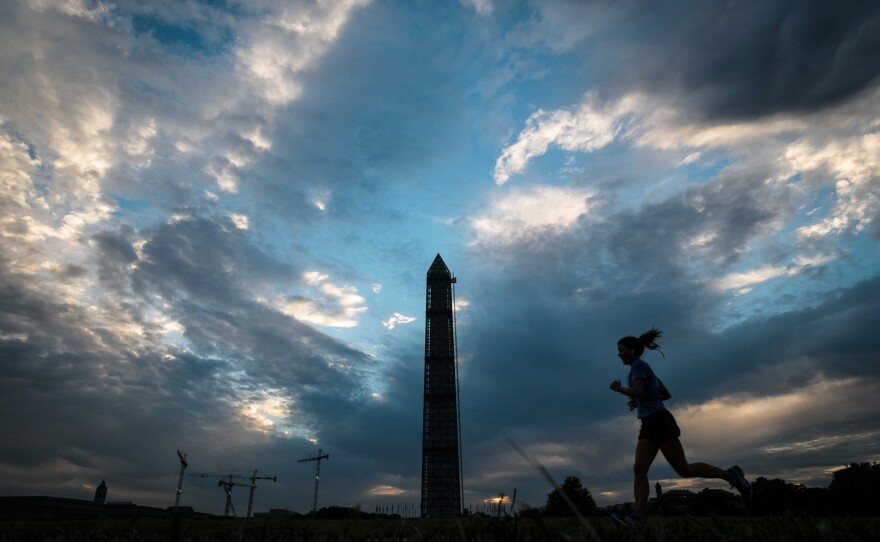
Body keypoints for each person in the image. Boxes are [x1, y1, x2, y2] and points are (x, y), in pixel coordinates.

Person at [609, 327, 751, 528]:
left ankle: (732, 476)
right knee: (639, 469)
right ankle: (637, 519)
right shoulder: (642, 369)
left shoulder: (638, 366)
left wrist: (619, 389)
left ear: (632, 350)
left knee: (684, 469)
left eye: (621, 350)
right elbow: (664, 394)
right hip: (648, 423)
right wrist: (641, 399)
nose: (619, 354)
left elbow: (639, 391)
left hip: (659, 421)